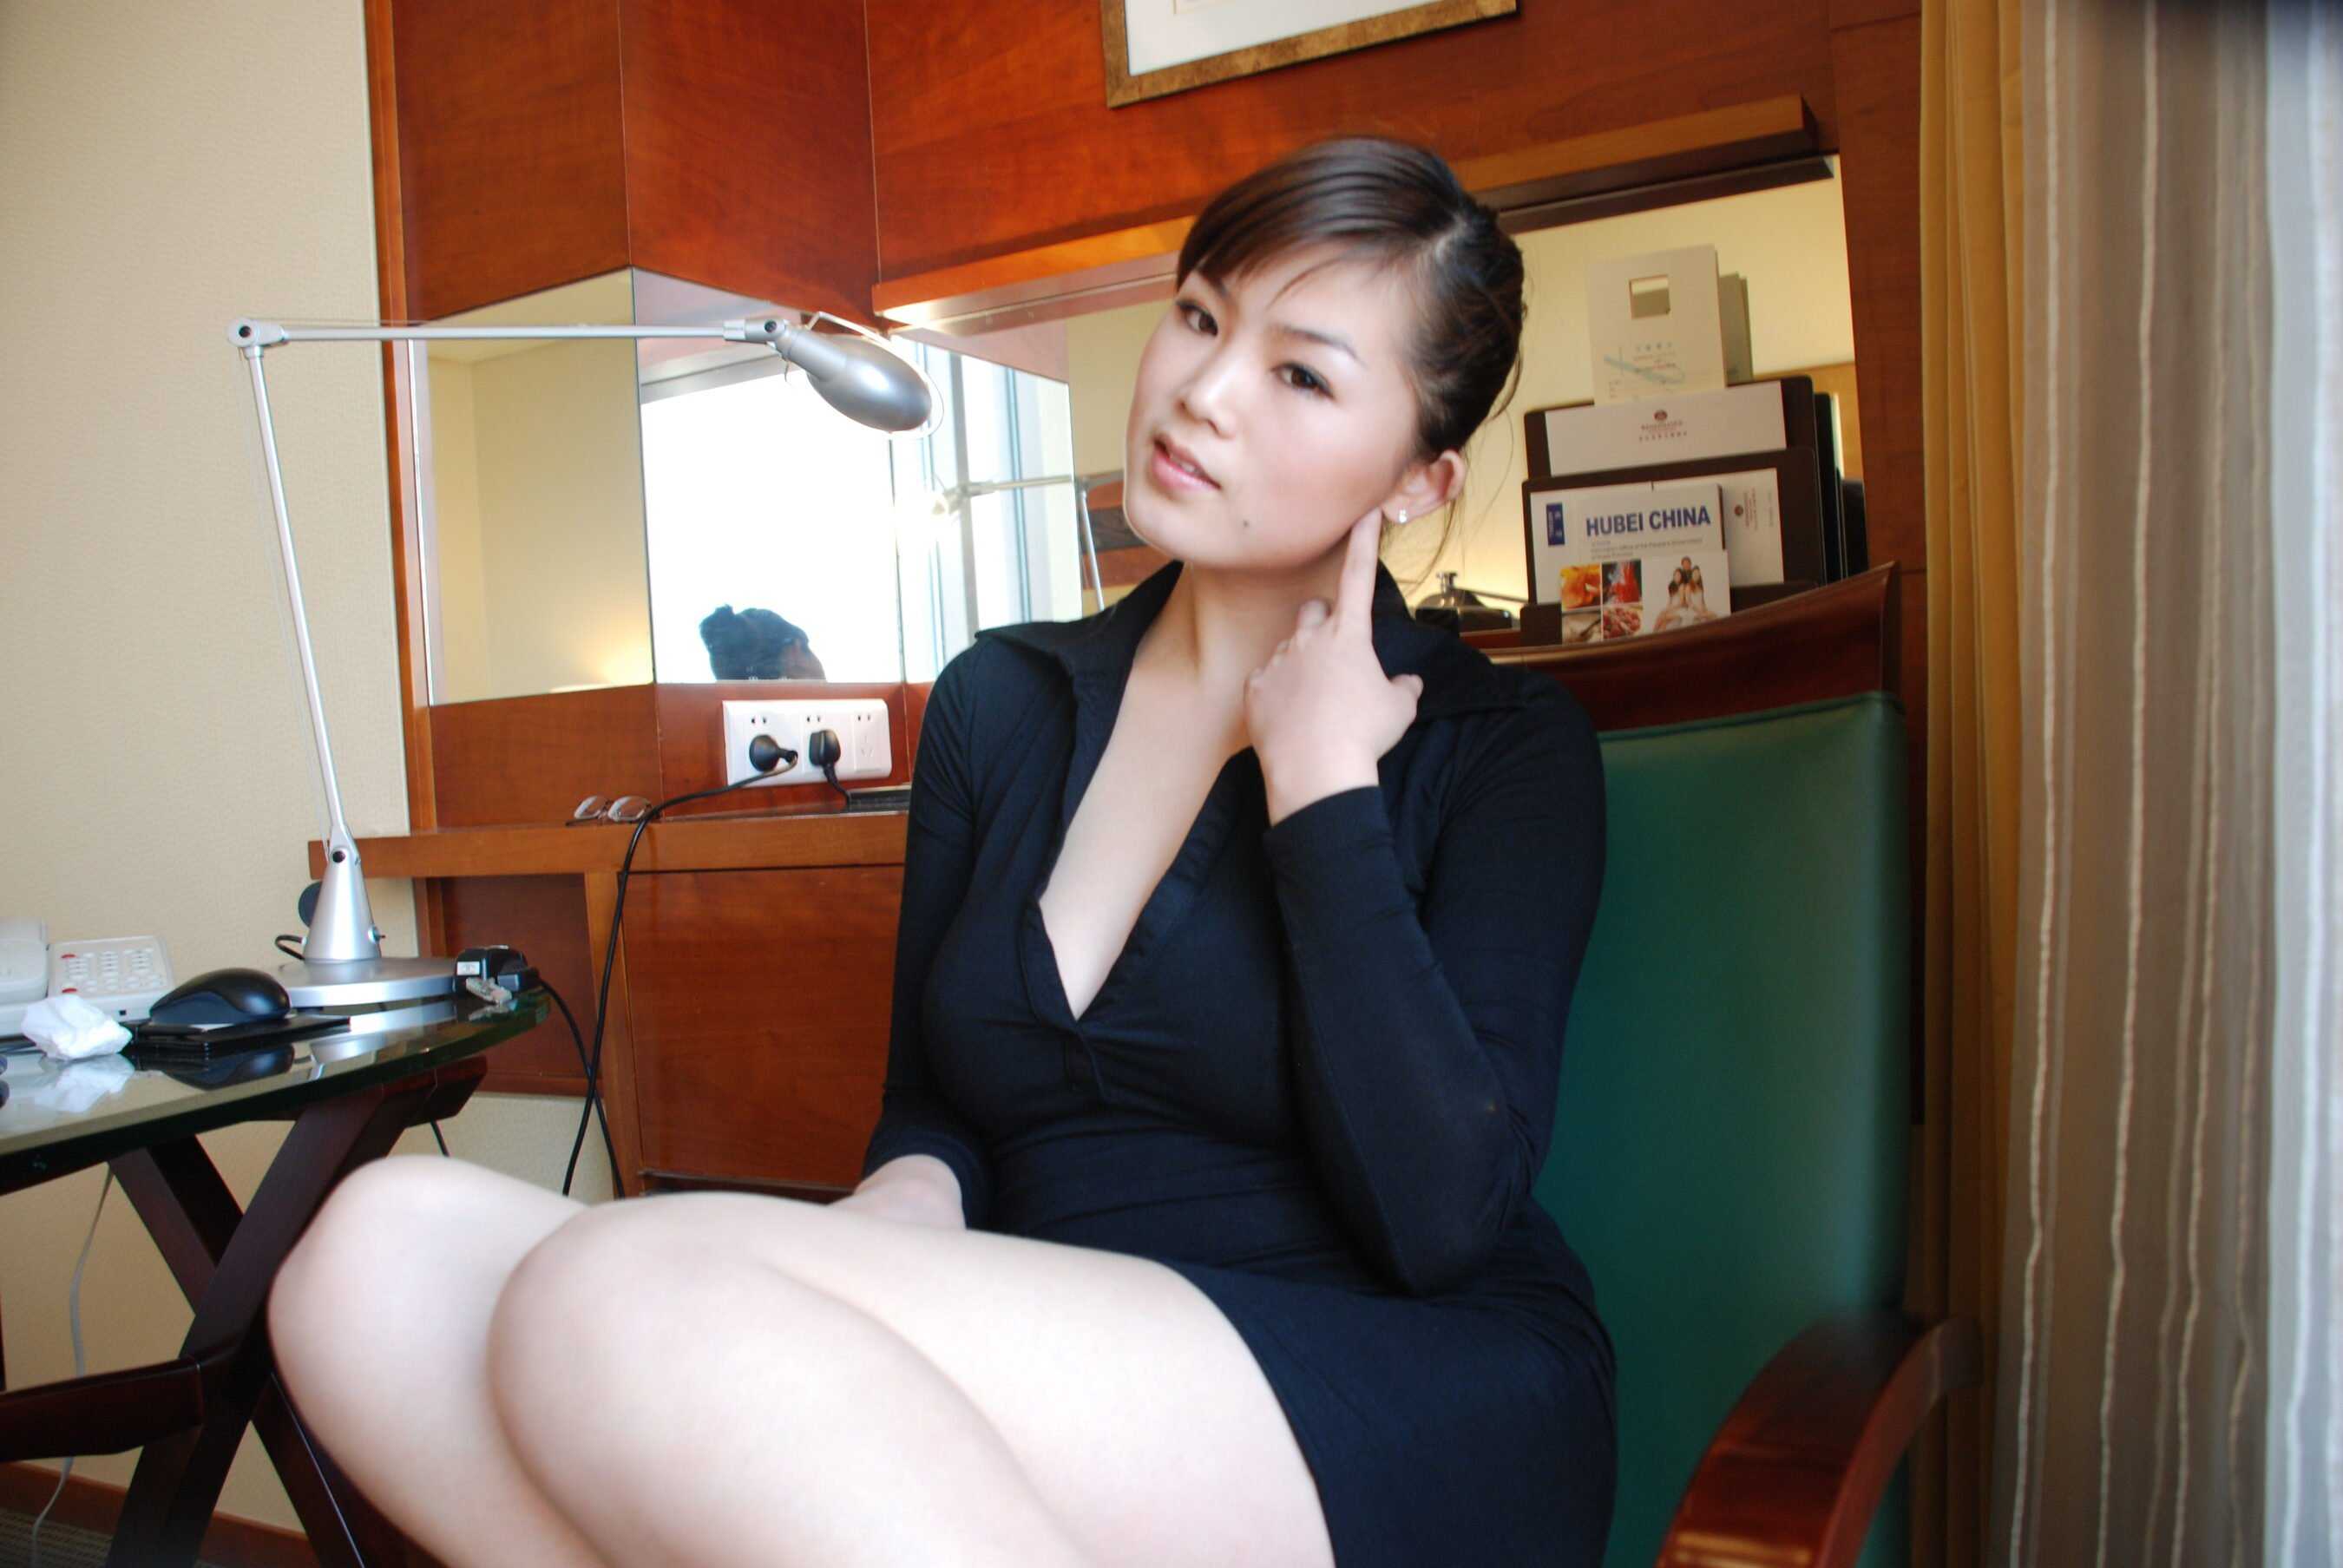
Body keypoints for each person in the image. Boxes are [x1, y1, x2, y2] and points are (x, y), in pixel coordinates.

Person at [267, 135, 1615, 1567]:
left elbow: (1442, 1219)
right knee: (373, 1257)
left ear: (1419, 479)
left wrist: (1324, 789)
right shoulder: (1002, 700)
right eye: (1199, 315)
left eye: (1301, 375)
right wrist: (905, 1200)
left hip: (1380, 1385)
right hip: (1020, 1329)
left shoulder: (1501, 745)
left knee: (612, 1291)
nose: (1202, 391)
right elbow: (936, 1103)